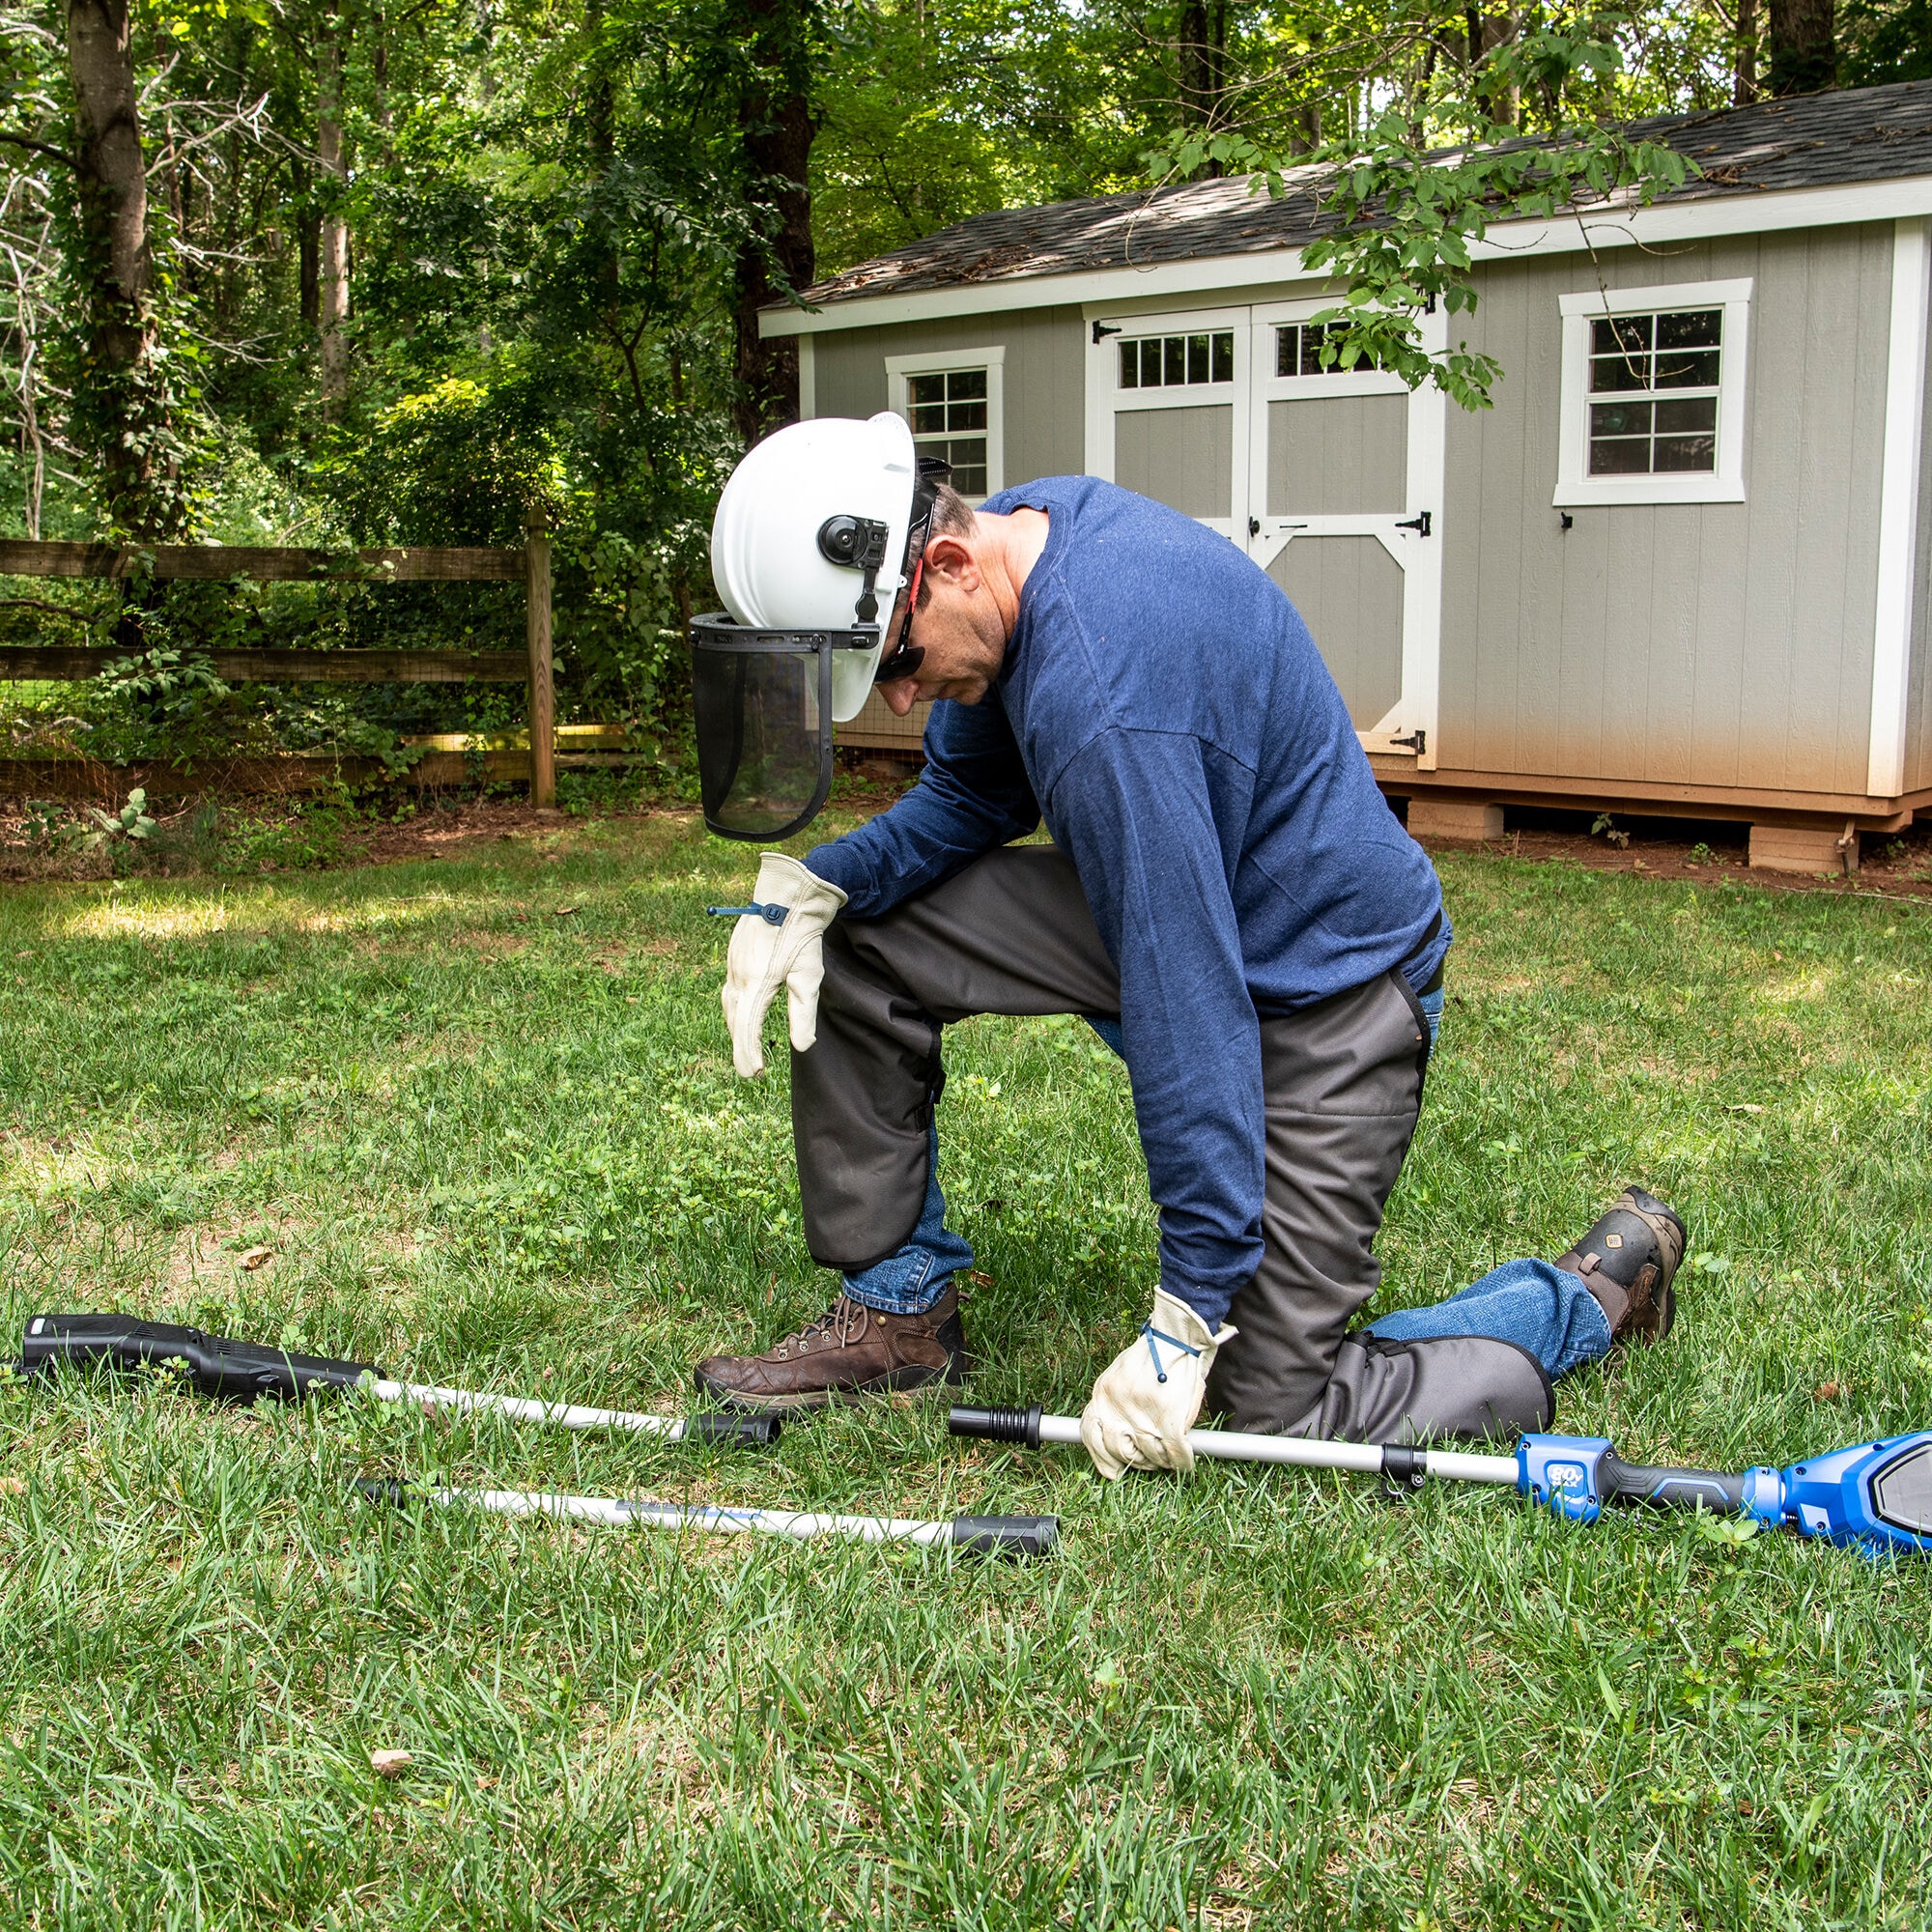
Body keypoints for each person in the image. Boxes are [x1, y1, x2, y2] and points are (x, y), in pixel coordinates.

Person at [690, 412, 1686, 1475]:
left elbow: (1184, 1001)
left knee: (1267, 1409)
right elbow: (971, 796)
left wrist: (1188, 1311)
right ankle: (897, 1310)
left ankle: (1583, 1294)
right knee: (854, 935)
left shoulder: (1108, 698)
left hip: (1330, 991)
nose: (897, 696)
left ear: (943, 563)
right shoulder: (1019, 541)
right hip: (1193, 908)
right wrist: (823, 881)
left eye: (897, 659)